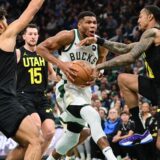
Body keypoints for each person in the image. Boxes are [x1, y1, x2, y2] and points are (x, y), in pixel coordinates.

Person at [37, 11, 117, 160]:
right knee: (93, 115)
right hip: (66, 89)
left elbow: (99, 67)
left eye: (94, 22)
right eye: (88, 22)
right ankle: (111, 157)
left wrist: (96, 76)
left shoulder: (100, 45)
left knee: (71, 139)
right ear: (79, 24)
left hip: (84, 92)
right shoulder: (69, 36)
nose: (92, 25)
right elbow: (40, 48)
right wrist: (62, 65)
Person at [78, 5, 160, 150]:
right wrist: (99, 41)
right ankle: (141, 130)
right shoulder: (149, 38)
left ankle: (141, 131)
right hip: (156, 85)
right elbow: (125, 48)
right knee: (123, 79)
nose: (138, 20)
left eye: (141, 16)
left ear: (150, 17)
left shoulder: (152, 32)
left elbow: (130, 57)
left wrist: (98, 66)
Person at [0, 0, 45, 160]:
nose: (8, 23)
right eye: (5, 19)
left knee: (24, 143)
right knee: (36, 140)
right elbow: (33, 8)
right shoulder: (5, 37)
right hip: (4, 101)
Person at [16, 23, 56, 155]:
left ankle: (36, 157)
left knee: (50, 131)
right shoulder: (18, 52)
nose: (33, 37)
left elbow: (52, 75)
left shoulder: (43, 53)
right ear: (24, 37)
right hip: (23, 95)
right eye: (30, 34)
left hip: (42, 96)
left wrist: (64, 81)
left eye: (35, 34)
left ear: (38, 36)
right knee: (36, 125)